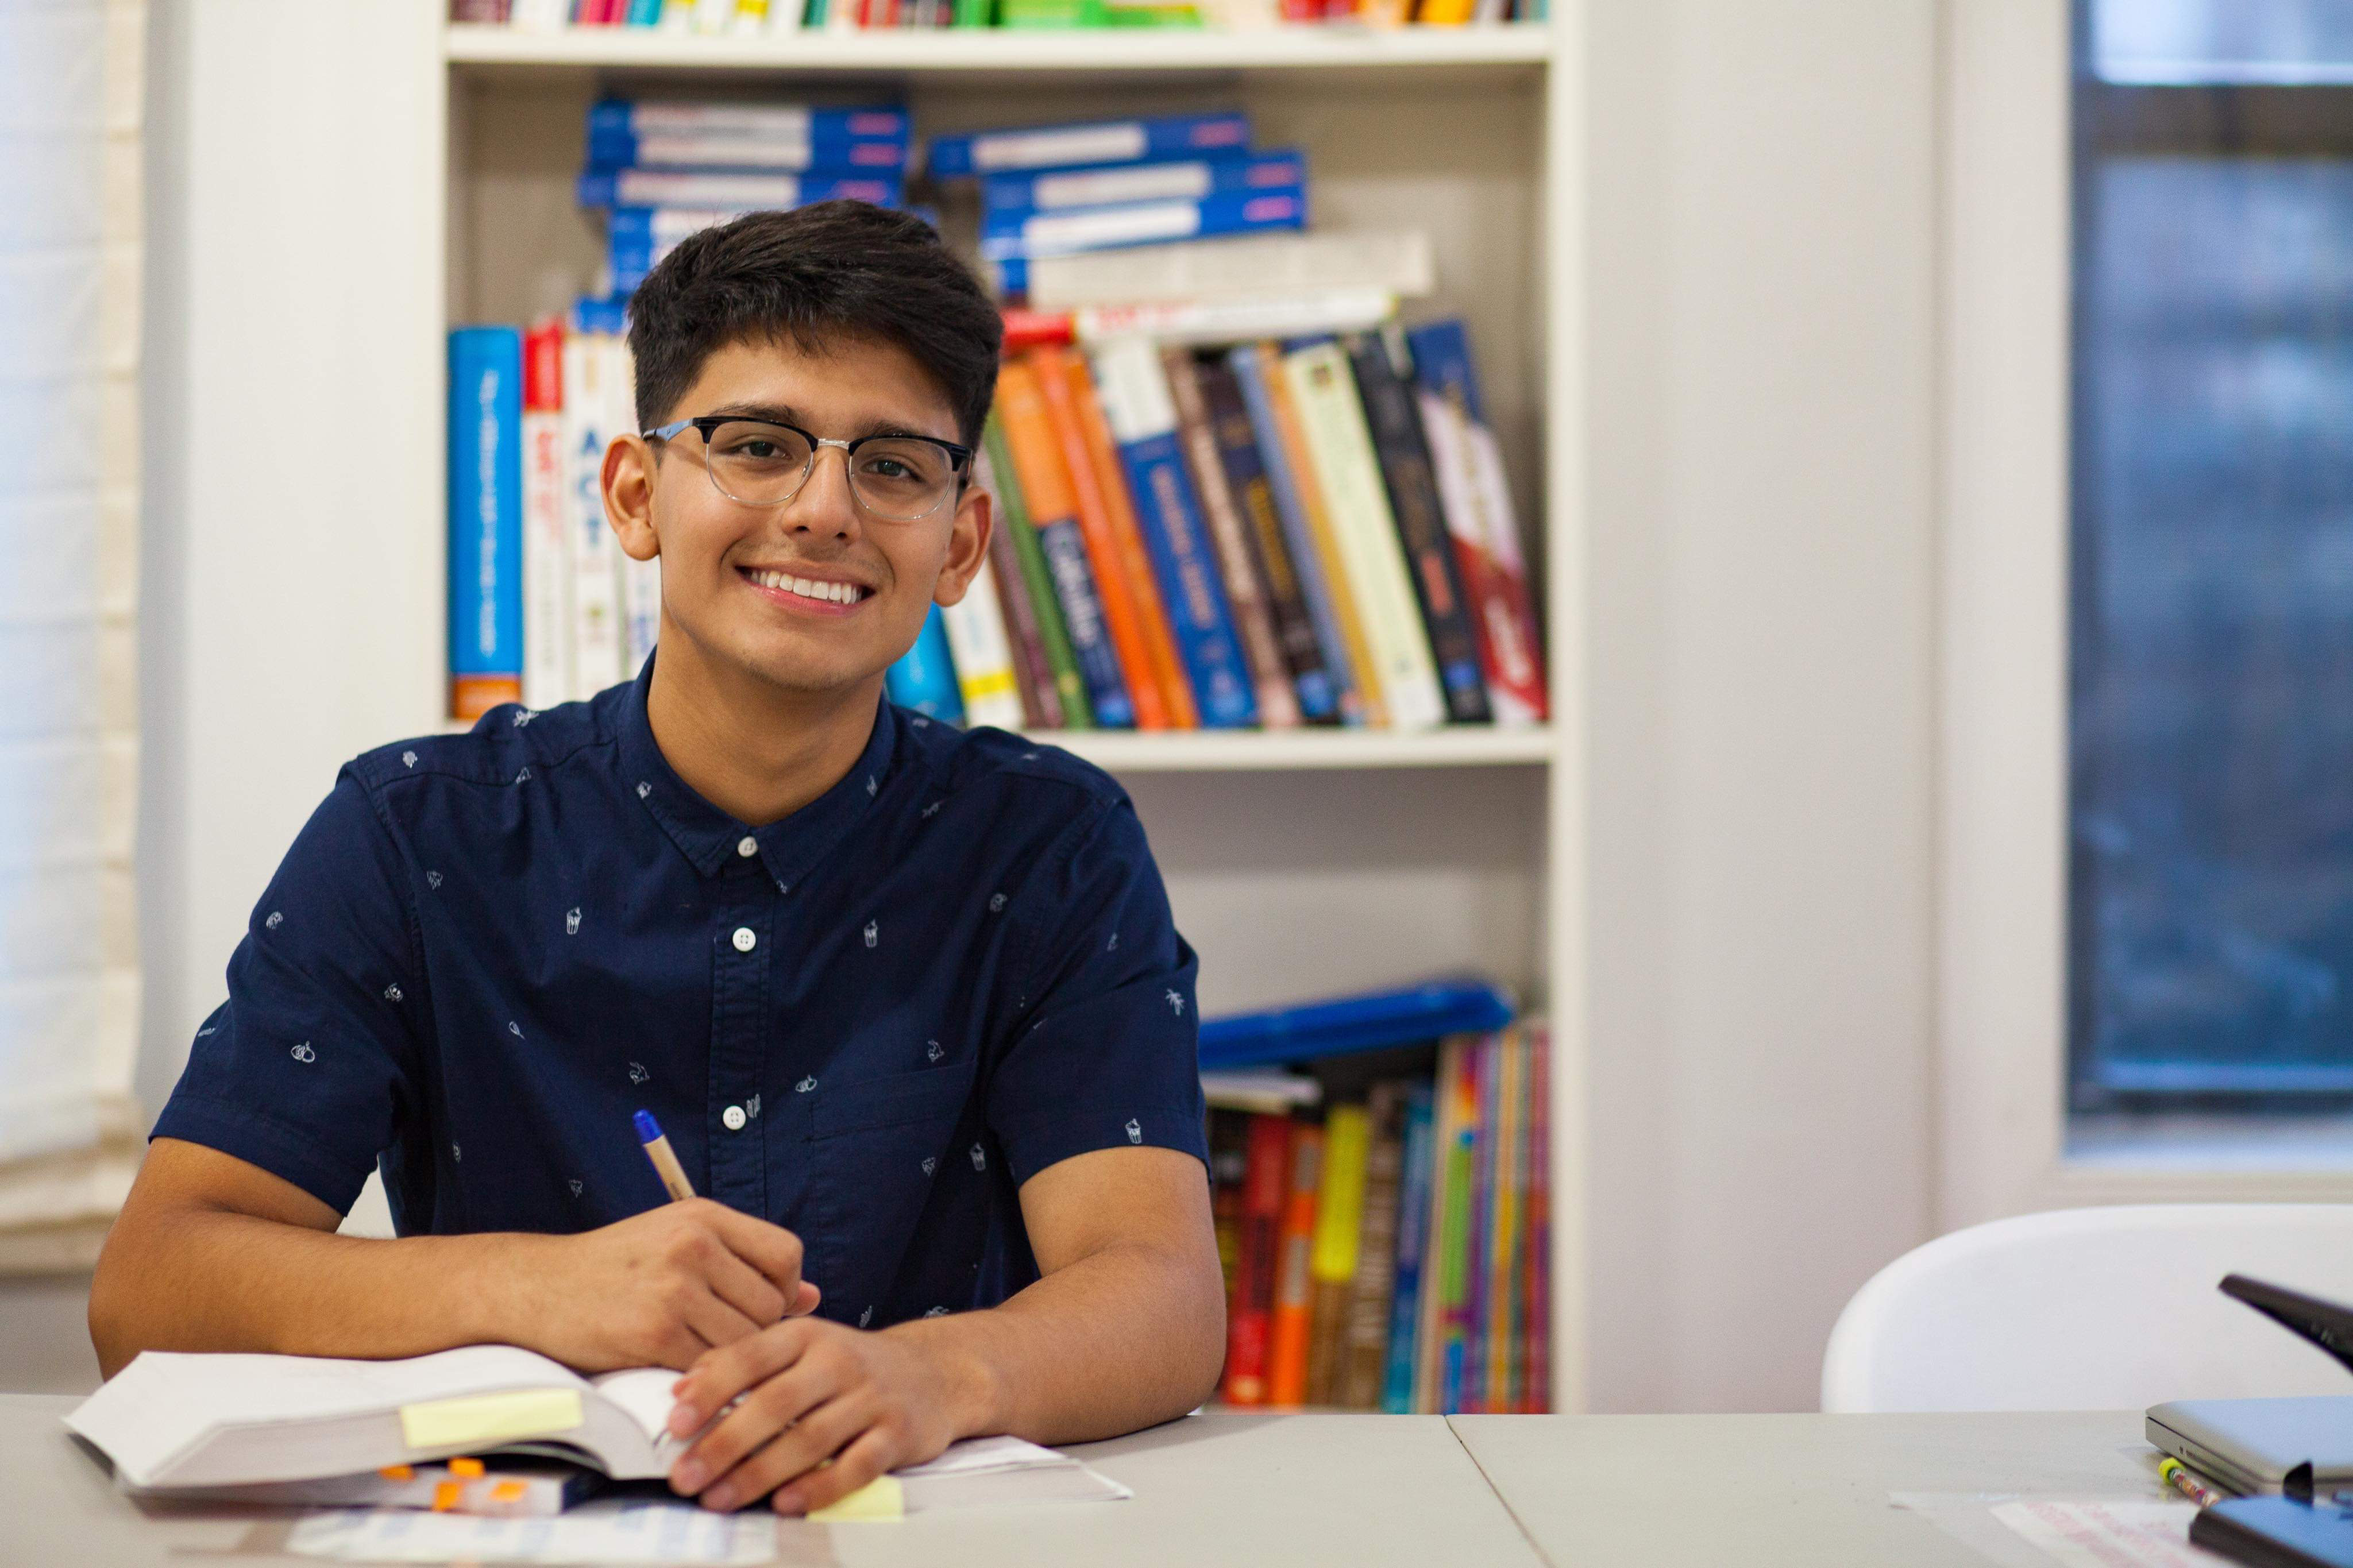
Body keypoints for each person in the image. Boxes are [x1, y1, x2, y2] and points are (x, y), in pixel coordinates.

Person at [87, 201, 1224, 1516]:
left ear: (960, 544)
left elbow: (1159, 1294)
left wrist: (930, 1376)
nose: (822, 511)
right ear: (634, 496)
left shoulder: (1048, 845)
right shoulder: (415, 832)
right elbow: (150, 1289)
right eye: (757, 447)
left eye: (896, 468)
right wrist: (541, 1289)